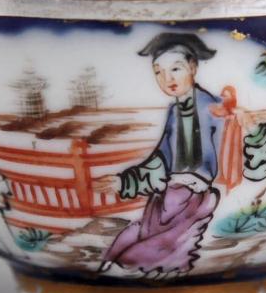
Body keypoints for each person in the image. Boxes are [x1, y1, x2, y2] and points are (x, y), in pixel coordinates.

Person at [93, 32, 224, 276]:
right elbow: (161, 159)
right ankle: (109, 264)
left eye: (175, 69)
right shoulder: (175, 111)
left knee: (159, 242)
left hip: (194, 196)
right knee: (138, 230)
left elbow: (234, 153)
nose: (167, 79)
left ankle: (127, 266)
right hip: (170, 193)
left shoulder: (215, 108)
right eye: (158, 72)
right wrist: (125, 181)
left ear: (193, 67)